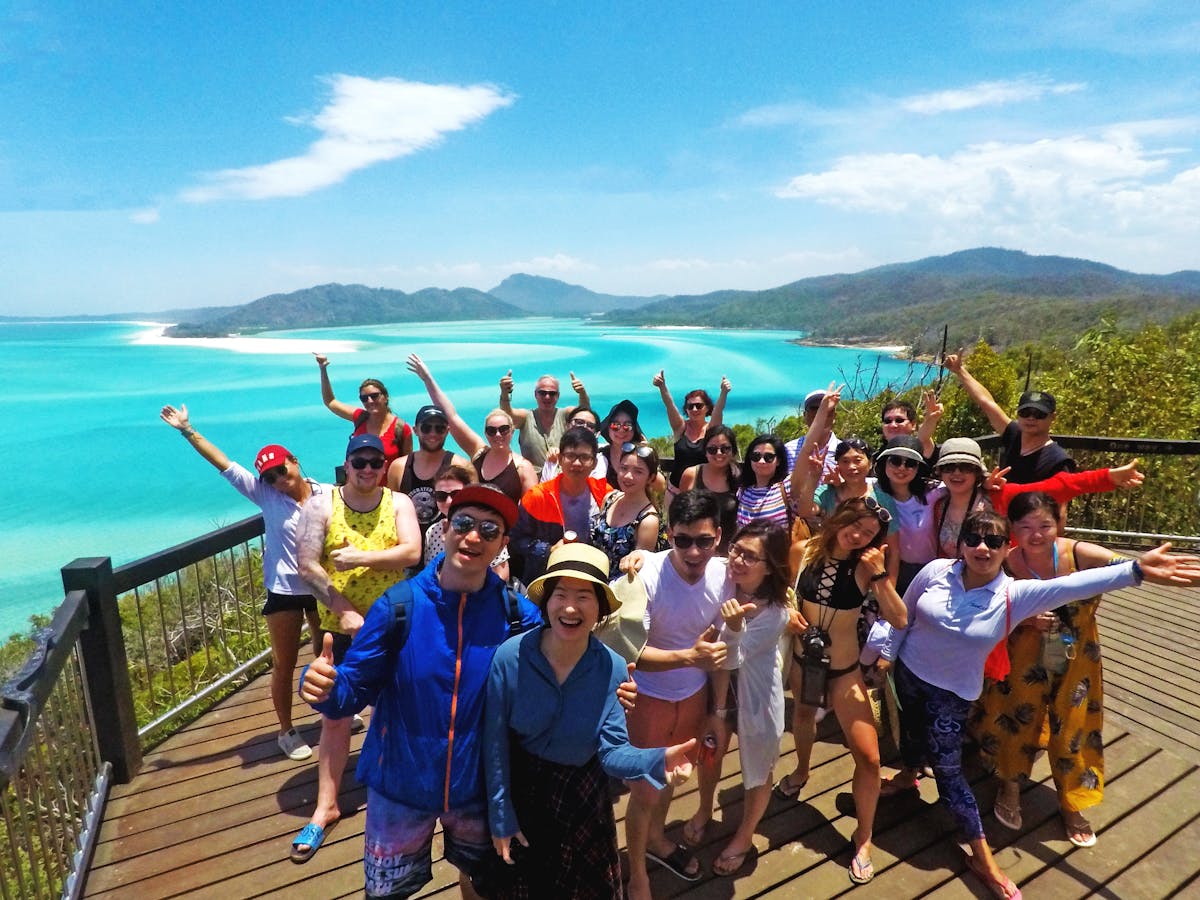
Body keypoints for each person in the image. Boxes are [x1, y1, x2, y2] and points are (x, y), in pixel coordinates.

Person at [879, 510, 1200, 900]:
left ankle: (983, 859)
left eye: (994, 541)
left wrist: (1135, 570)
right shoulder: (935, 571)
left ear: (1006, 549)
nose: (983, 547)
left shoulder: (1013, 595)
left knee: (949, 776)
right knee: (909, 735)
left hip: (951, 695)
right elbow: (904, 616)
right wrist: (879, 660)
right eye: (974, 538)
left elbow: (1075, 584)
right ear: (960, 543)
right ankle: (909, 775)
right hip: (908, 674)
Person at [300, 485, 542, 898]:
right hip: (400, 787)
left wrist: (609, 683)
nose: (473, 537)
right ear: (445, 529)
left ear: (502, 544)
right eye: (464, 524)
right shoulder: (398, 606)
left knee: (485, 887)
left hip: (477, 785)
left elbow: (558, 670)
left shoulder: (517, 615)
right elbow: (352, 692)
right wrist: (323, 686)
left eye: (489, 530)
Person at [483, 543, 695, 899]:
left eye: (584, 596)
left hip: (582, 796)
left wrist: (656, 759)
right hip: (523, 792)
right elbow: (494, 743)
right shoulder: (510, 656)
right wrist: (500, 814)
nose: (569, 607)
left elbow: (612, 753)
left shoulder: (611, 666)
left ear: (599, 608)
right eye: (560, 594)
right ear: (546, 601)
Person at [159, 404, 323, 761]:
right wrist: (188, 430)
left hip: (324, 588)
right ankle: (286, 730)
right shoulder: (265, 495)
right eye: (270, 476)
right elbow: (223, 463)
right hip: (285, 591)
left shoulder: (328, 493)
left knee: (330, 653)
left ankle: (334, 708)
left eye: (282, 470)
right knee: (285, 663)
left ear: (294, 461)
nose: (279, 479)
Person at [292, 433, 422, 863]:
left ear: (383, 466)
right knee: (335, 717)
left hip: (396, 624)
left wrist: (360, 558)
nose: (367, 469)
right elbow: (307, 565)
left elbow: (411, 552)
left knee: (401, 708)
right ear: (346, 465)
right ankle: (325, 805)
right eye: (359, 462)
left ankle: (403, 791)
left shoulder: (397, 503)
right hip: (341, 629)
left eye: (374, 462)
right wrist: (343, 608)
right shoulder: (321, 505)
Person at [976, 493, 1126, 848]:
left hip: (1077, 657)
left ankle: (1073, 802)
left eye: (1045, 525)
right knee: (1013, 717)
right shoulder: (1006, 562)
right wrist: (1025, 618)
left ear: (1059, 522)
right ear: (1012, 529)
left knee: (1076, 724)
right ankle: (1010, 787)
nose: (1036, 534)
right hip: (1022, 655)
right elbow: (986, 605)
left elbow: (1128, 568)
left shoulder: (1079, 553)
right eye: (1025, 527)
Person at [772, 498, 906, 885]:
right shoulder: (803, 551)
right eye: (855, 525)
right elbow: (780, 589)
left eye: (868, 533)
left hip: (845, 672)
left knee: (868, 756)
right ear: (840, 518)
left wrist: (879, 576)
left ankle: (863, 837)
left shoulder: (866, 569)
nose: (858, 535)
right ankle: (801, 770)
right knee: (800, 718)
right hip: (803, 663)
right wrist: (788, 612)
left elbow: (899, 619)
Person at [621, 489, 732, 900]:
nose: (693, 551)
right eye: (683, 540)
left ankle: (655, 841)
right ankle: (636, 874)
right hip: (647, 698)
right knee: (645, 791)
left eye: (703, 540)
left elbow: (721, 649)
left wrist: (718, 711)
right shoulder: (644, 575)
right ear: (668, 535)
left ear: (718, 536)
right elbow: (629, 651)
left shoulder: (725, 575)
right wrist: (689, 656)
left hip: (695, 697)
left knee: (674, 777)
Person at [686, 521, 798, 876]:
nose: (737, 559)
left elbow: (732, 658)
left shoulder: (776, 613)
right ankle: (705, 808)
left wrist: (732, 628)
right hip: (717, 693)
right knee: (709, 754)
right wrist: (640, 557)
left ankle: (745, 834)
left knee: (759, 769)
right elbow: (678, 557)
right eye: (736, 548)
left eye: (750, 556)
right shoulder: (723, 572)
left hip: (757, 699)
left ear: (771, 566)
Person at [406, 354, 536, 503]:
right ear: (486, 434)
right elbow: (452, 417)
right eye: (491, 430)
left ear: (512, 431)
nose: (498, 434)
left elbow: (530, 513)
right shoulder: (479, 453)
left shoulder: (523, 468)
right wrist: (428, 379)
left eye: (504, 429)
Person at [944, 352, 1074, 484]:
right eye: (1025, 412)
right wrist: (960, 371)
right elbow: (986, 403)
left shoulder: (1058, 461)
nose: (1031, 418)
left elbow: (1061, 503)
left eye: (1039, 414)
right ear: (1018, 414)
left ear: (1052, 417)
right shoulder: (1015, 435)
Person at [509, 427, 612, 582]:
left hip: (592, 576)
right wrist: (548, 550)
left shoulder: (605, 494)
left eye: (584, 457)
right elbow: (515, 539)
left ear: (594, 463)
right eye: (570, 456)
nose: (577, 463)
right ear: (560, 459)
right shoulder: (538, 496)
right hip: (546, 577)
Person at [314, 353, 413, 477]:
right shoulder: (360, 417)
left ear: (386, 397)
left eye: (374, 396)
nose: (370, 401)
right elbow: (330, 402)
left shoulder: (401, 428)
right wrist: (323, 369)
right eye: (364, 398)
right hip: (357, 490)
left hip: (387, 492)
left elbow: (407, 466)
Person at [386, 403, 468, 535]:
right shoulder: (398, 467)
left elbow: (471, 511)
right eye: (426, 428)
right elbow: (391, 512)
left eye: (439, 428)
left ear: (447, 431)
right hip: (409, 546)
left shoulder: (460, 466)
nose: (433, 433)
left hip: (445, 547)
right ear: (416, 430)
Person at [590, 441, 668, 570]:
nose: (628, 476)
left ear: (650, 478)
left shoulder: (647, 520)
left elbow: (639, 571)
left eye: (638, 472)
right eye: (624, 468)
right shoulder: (610, 499)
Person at [651, 370, 731, 493]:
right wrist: (662, 386)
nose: (694, 409)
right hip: (675, 491)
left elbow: (719, 410)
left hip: (703, 493)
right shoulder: (680, 428)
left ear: (707, 408)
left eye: (699, 406)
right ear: (686, 410)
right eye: (690, 406)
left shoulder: (711, 431)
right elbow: (669, 405)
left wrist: (724, 392)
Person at [498, 369, 590, 469]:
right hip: (533, 481)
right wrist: (504, 393)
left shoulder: (565, 415)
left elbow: (585, 415)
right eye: (542, 393)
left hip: (563, 480)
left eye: (552, 394)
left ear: (558, 396)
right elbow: (507, 416)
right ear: (535, 395)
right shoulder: (526, 417)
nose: (547, 397)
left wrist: (582, 393)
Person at [677, 425, 740, 554]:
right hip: (694, 550)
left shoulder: (739, 478)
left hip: (727, 554)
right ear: (705, 451)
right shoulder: (691, 474)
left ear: (733, 451)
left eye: (725, 449)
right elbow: (679, 513)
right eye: (712, 449)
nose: (719, 453)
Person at [736, 433, 793, 530]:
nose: (761, 461)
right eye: (756, 456)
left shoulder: (787, 487)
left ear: (778, 461)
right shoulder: (743, 491)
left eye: (768, 457)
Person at [541, 405, 609, 482]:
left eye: (590, 426)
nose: (584, 427)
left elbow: (596, 489)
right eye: (579, 422)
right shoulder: (554, 456)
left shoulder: (599, 459)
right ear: (567, 425)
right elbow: (543, 489)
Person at [784, 388, 840, 480]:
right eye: (814, 409)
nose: (820, 414)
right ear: (804, 415)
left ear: (834, 416)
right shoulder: (789, 450)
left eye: (827, 408)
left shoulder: (844, 451)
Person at [597, 399, 649, 489]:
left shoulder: (640, 454)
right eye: (615, 425)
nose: (621, 430)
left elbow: (660, 485)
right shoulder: (599, 455)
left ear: (634, 430)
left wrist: (646, 456)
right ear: (608, 428)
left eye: (627, 426)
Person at [880, 391, 942, 464]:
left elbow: (924, 439)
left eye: (899, 420)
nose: (893, 425)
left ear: (913, 425)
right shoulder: (876, 458)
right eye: (888, 421)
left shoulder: (920, 450)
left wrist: (930, 420)